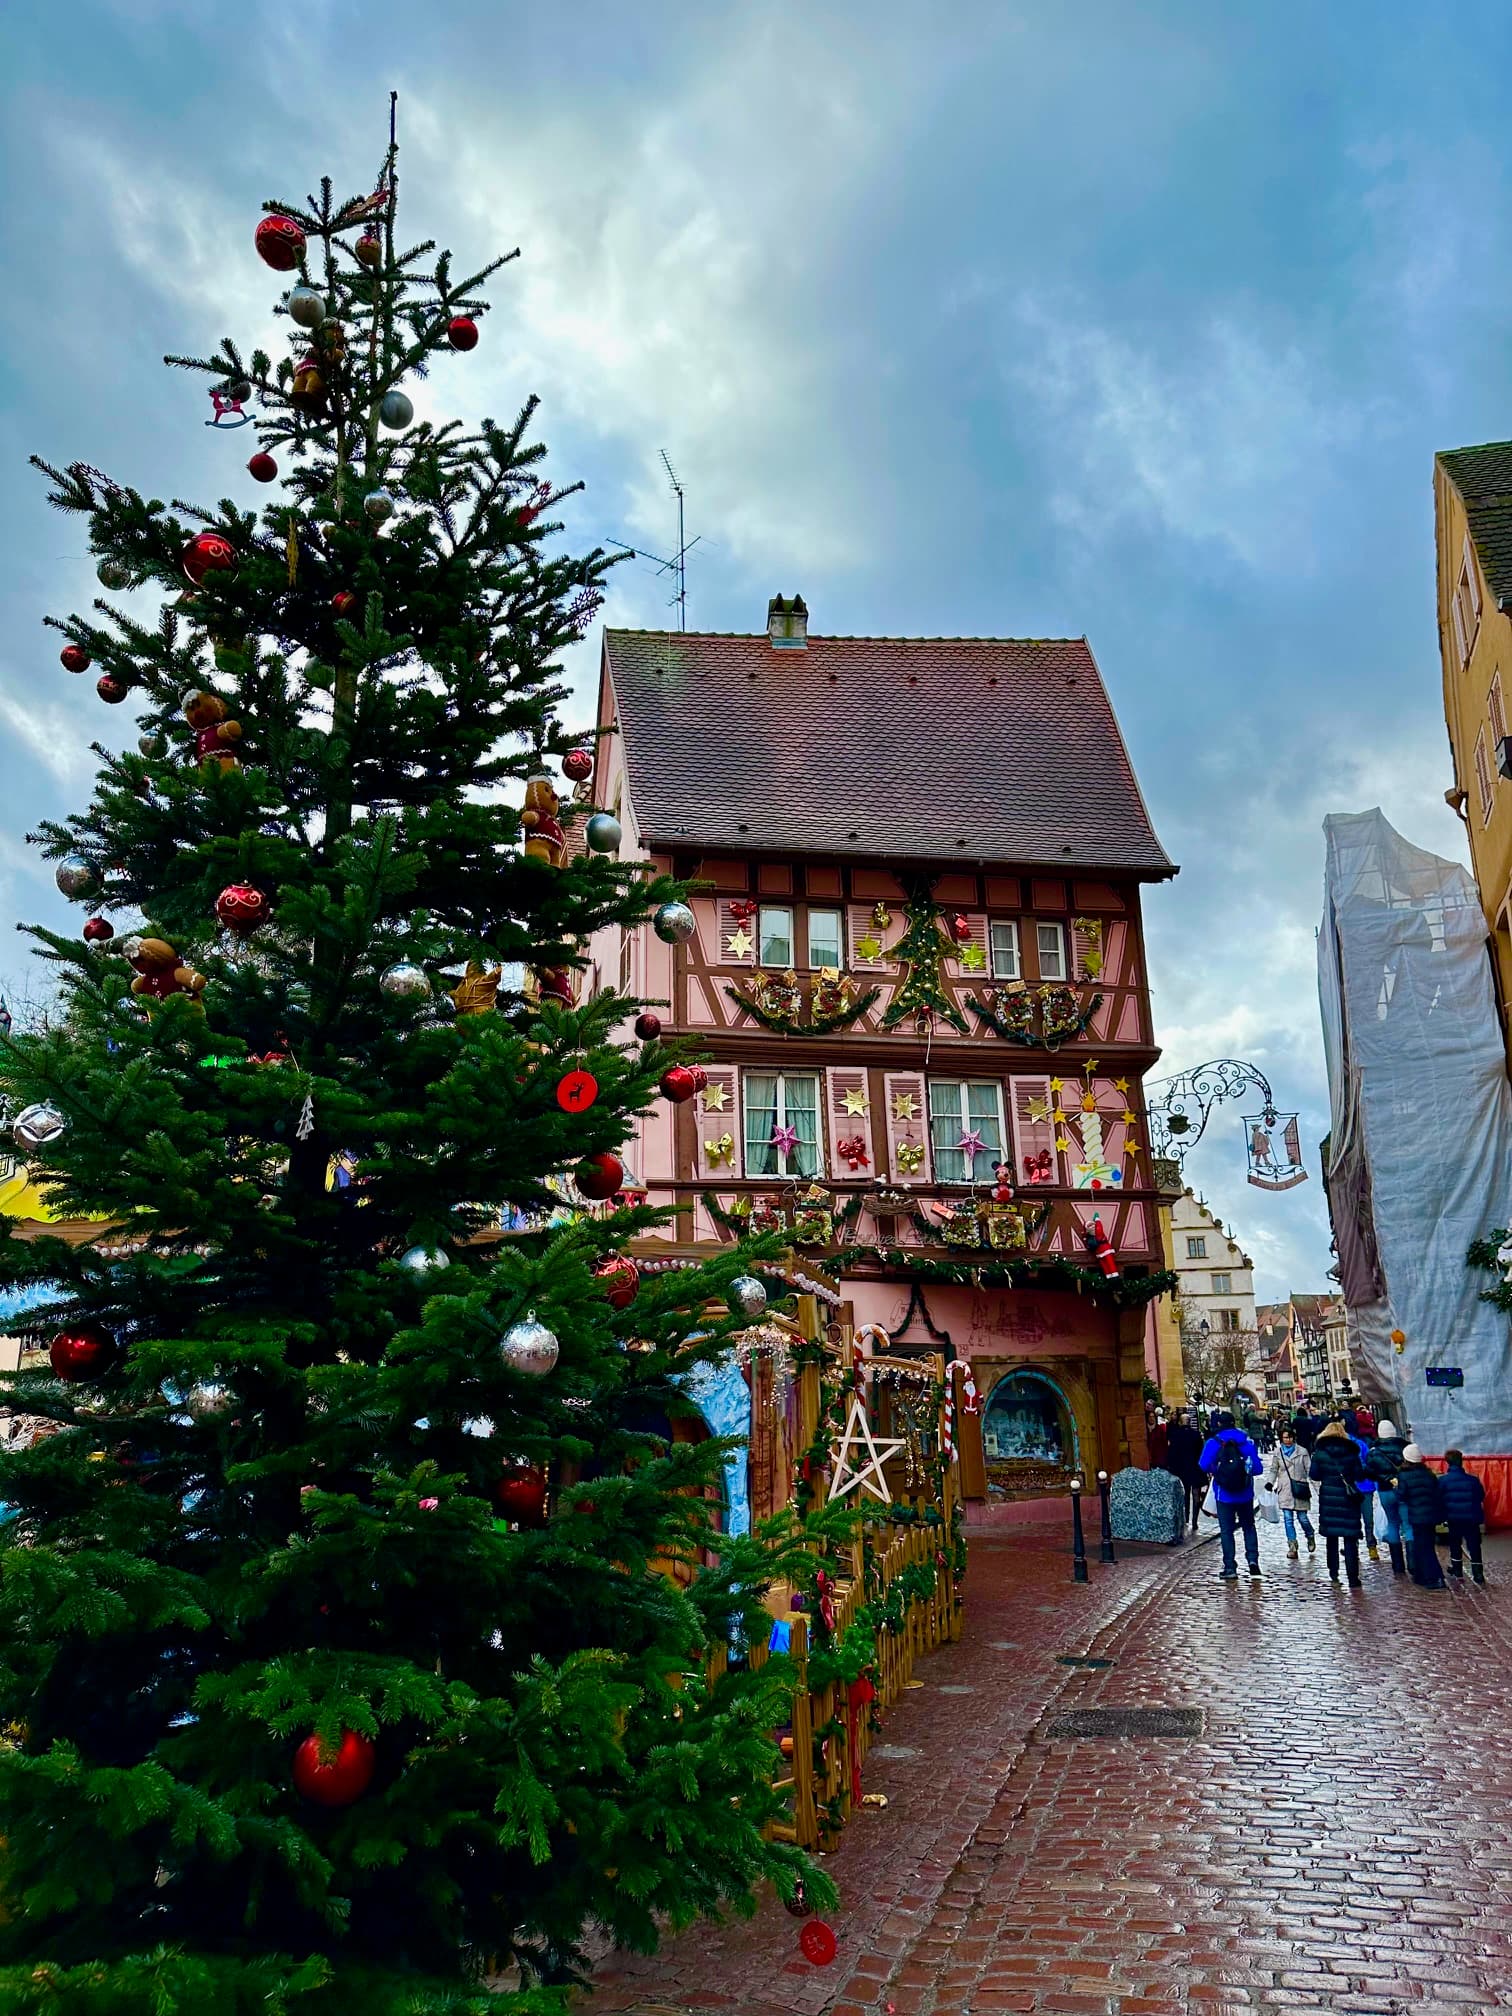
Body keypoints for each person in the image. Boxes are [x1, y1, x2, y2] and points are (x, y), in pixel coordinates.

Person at [1200, 1409, 1264, 1582]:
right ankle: (1253, 1561)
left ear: (1219, 1424)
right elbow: (1257, 1469)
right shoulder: (1246, 1442)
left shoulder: (1214, 1442)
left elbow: (1203, 1465)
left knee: (1226, 1531)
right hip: (1245, 1493)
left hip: (1224, 1494)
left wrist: (1218, 1471)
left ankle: (1230, 1567)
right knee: (1249, 1527)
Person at [1309, 1421, 1366, 1588]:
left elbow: (1314, 1475)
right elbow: (1359, 1475)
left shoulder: (1320, 1453)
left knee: (1331, 1537)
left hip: (1329, 1498)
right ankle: (1353, 1577)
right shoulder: (1351, 1452)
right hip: (1349, 1498)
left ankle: (1333, 1572)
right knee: (1350, 1538)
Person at [1394, 1443, 1447, 1589]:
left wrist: (1396, 1488)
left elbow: (1402, 1496)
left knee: (1423, 1547)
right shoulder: (1429, 1474)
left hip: (1417, 1515)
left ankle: (1433, 1577)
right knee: (1427, 1545)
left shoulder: (1404, 1475)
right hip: (1431, 1515)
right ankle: (1422, 1575)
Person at [1365, 1420, 1411, 1576]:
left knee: (1392, 1523)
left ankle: (1398, 1565)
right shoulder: (1405, 1448)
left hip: (1385, 1490)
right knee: (1407, 1524)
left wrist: (1383, 1478)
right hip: (1403, 1489)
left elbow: (1369, 1473)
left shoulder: (1374, 1452)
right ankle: (1412, 1562)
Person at [1265, 1425, 1317, 1559]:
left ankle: (1310, 1535)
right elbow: (1274, 1470)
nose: (1288, 1440)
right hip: (1285, 1489)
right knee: (1288, 1519)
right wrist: (1270, 1482)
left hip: (1300, 1489)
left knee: (1303, 1518)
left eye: (1290, 1437)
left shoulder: (1302, 1451)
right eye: (1285, 1438)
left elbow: (1310, 1470)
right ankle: (1292, 1546)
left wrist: (1317, 1485)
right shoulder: (1278, 1452)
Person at [1440, 1450, 1487, 1585]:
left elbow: (1439, 1499)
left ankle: (1457, 1571)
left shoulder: (1443, 1481)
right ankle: (1478, 1574)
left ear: (1447, 1462)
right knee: (1474, 1545)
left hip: (1453, 1518)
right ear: (1461, 1461)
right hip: (1472, 1518)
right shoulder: (1473, 1480)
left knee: (1455, 1544)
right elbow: (1480, 1496)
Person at [1165, 1410, 1204, 1532]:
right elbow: (1201, 1452)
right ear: (1190, 1422)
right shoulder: (1196, 1434)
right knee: (1196, 1495)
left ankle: (1186, 1518)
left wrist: (1171, 1467)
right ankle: (1195, 1521)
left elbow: (1172, 1453)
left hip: (1181, 1469)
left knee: (1184, 1494)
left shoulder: (1175, 1435)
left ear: (1180, 1422)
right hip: (1195, 1468)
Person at [1346, 1418, 1380, 1561]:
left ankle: (1360, 1548)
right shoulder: (1360, 1444)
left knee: (1357, 1519)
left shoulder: (1357, 1445)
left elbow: (1368, 1463)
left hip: (1357, 1487)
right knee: (1366, 1519)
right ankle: (1368, 1547)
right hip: (1361, 1486)